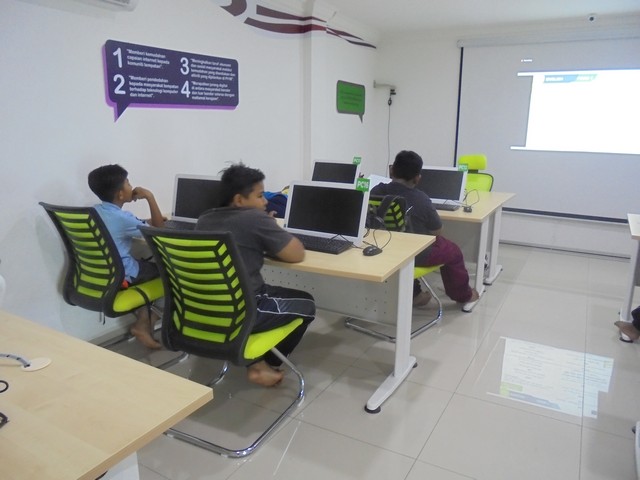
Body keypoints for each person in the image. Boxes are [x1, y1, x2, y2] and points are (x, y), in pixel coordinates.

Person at [196, 163, 316, 387]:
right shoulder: (254, 218)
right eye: (260, 196)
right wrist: (271, 226)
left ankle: (256, 359)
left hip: (203, 309)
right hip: (243, 310)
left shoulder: (205, 218)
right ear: (239, 200)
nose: (265, 202)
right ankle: (264, 364)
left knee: (278, 293)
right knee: (307, 303)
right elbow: (296, 254)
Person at [371, 150, 480, 310]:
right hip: (413, 254)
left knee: (406, 243)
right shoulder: (421, 199)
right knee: (453, 251)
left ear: (392, 170)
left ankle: (414, 294)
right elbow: (437, 231)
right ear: (417, 178)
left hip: (383, 248)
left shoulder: (375, 191)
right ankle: (464, 295)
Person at [88, 164, 165, 349]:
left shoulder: (95, 211)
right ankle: (144, 322)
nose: (132, 186)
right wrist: (150, 197)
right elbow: (159, 230)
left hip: (104, 274)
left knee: (148, 267)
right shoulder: (122, 218)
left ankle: (144, 322)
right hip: (124, 275)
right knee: (170, 272)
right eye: (128, 183)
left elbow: (130, 224)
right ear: (121, 194)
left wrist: (145, 222)